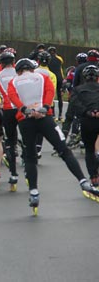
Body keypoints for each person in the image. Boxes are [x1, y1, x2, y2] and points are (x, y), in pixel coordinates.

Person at [6, 58, 99, 214]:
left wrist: (25, 109)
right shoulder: (41, 77)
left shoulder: (14, 81)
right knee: (64, 151)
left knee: (30, 157)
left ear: (19, 70)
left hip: (26, 120)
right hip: (45, 118)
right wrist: (45, 107)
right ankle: (83, 182)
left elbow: (12, 97)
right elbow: (50, 91)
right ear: (31, 68)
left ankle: (34, 192)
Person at [0, 50, 20, 191]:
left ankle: (13, 173)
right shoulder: (19, 72)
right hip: (21, 108)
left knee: (10, 140)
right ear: (14, 62)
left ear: (1, 63)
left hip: (8, 109)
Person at [68, 65, 99, 186]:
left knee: (89, 149)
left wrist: (88, 112)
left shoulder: (78, 89)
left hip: (87, 120)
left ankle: (93, 177)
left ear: (84, 77)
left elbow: (75, 104)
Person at [47, 46, 65, 120]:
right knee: (60, 96)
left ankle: (53, 114)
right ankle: (60, 115)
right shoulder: (59, 58)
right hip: (60, 77)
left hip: (52, 78)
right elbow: (60, 68)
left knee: (52, 96)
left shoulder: (48, 59)